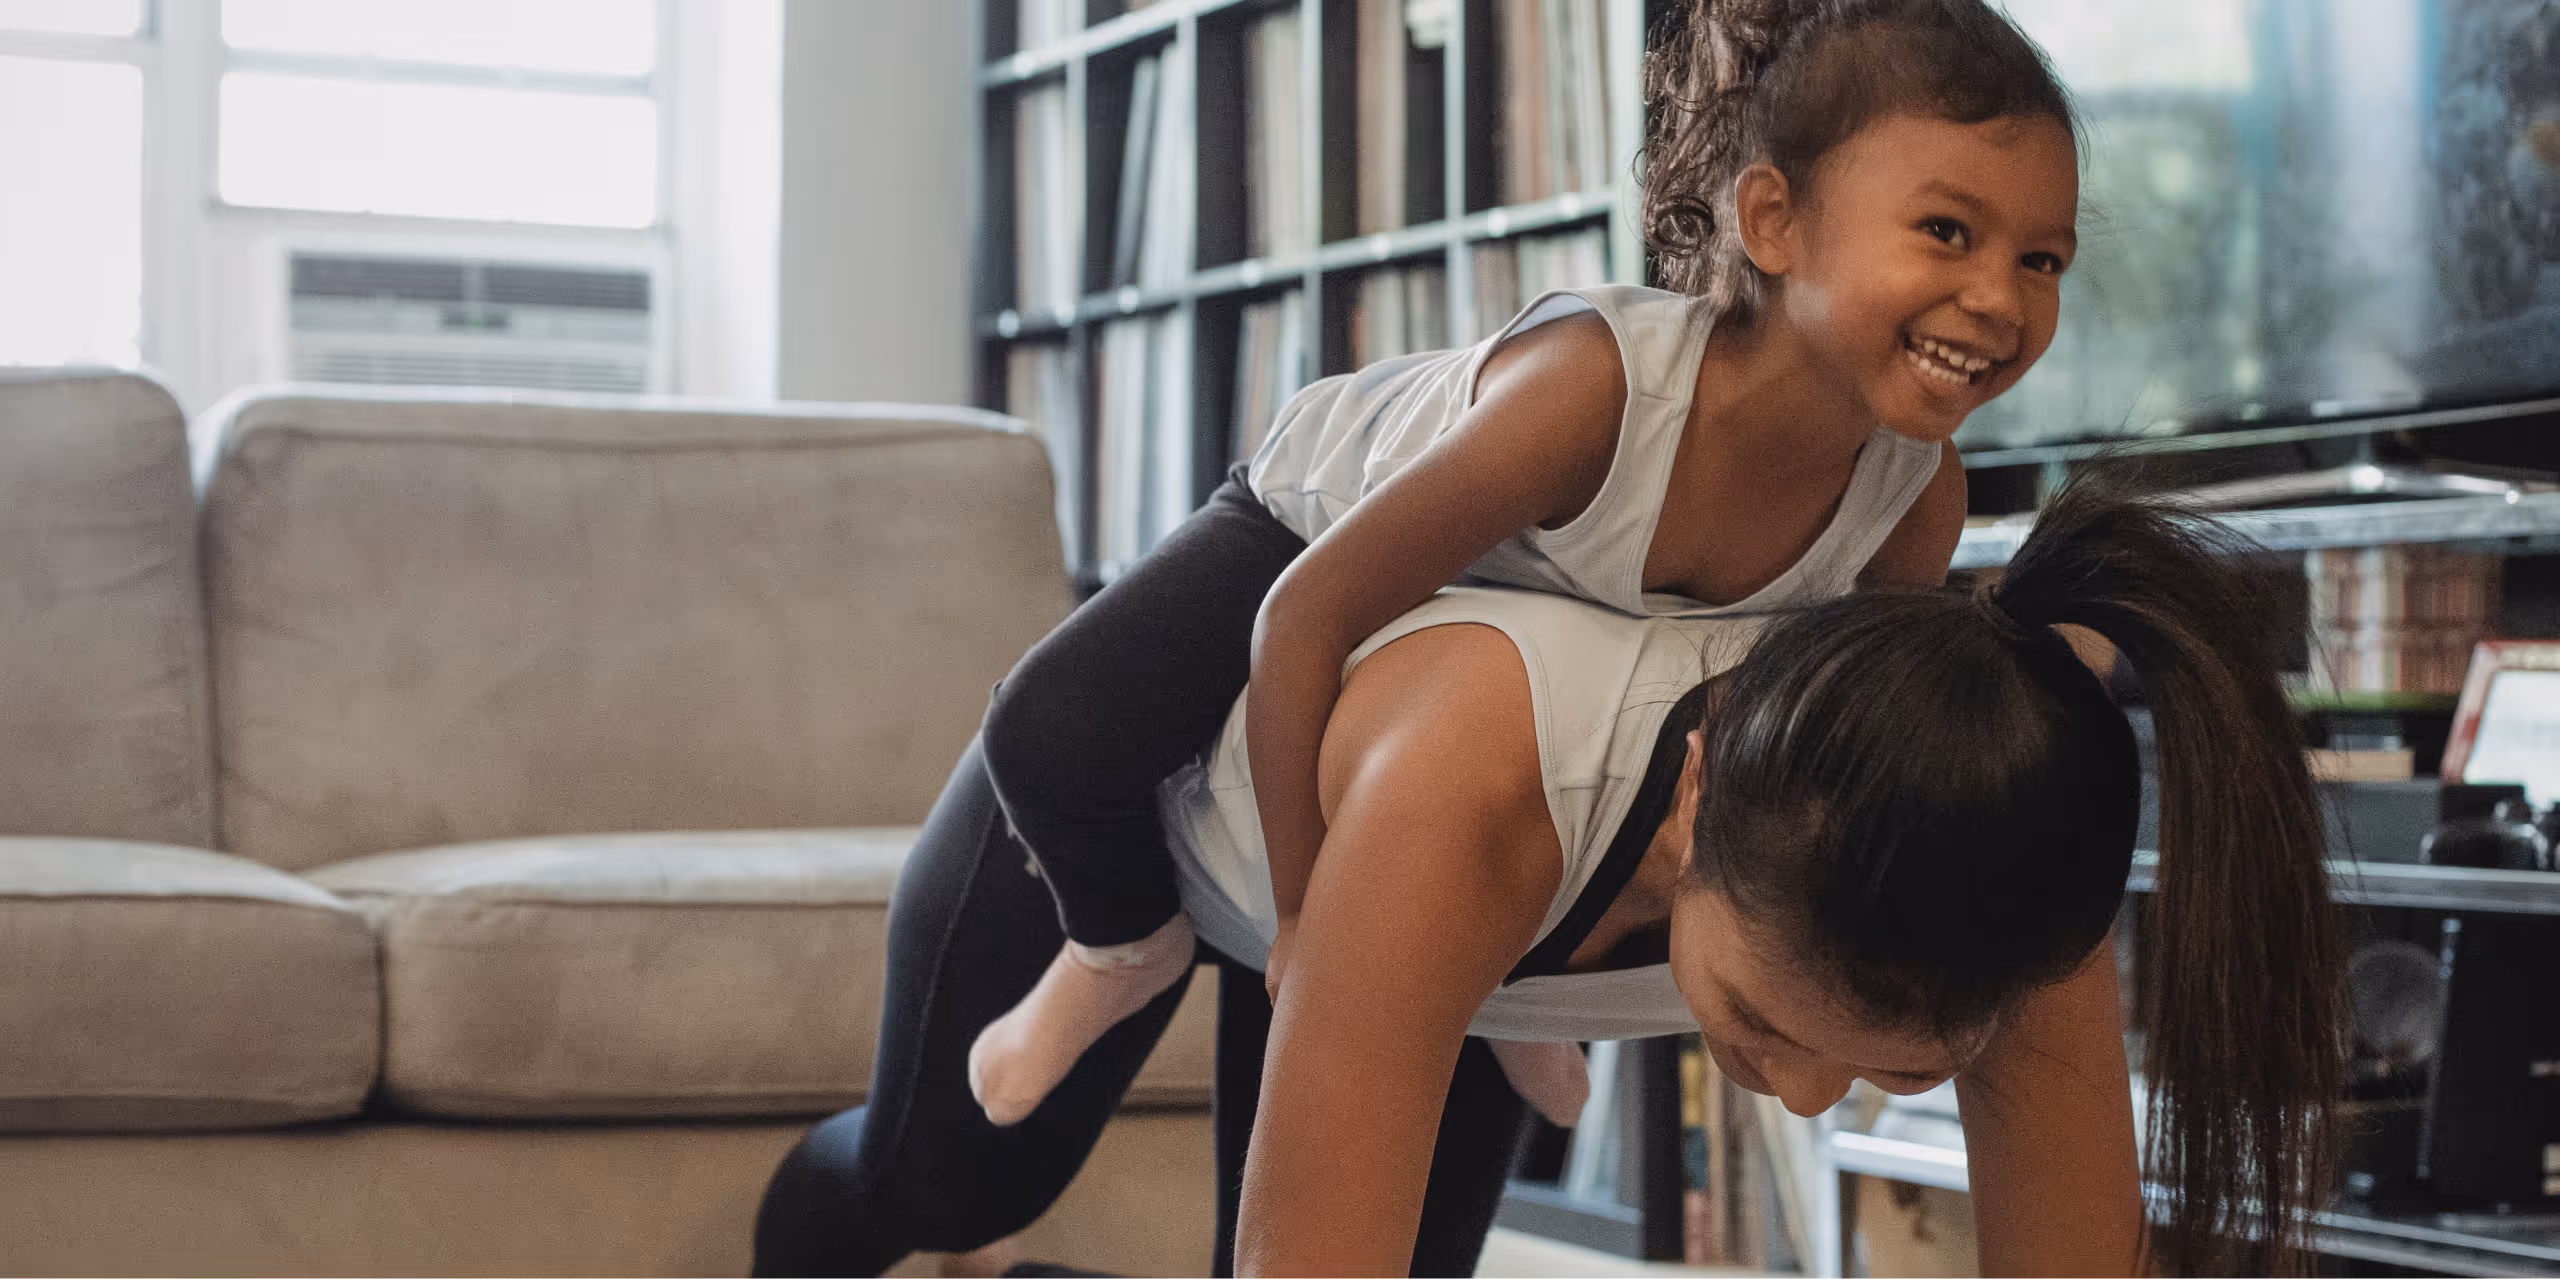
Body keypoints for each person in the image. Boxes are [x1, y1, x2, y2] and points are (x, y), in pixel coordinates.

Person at [753, 475, 2343, 1277]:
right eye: (1765, 1023)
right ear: (1698, 789)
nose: (1811, 1100)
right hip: (1147, 828)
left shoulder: (2000, 838)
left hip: (1414, 938)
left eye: (1896, 1069)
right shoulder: (1481, 795)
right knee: (947, 1187)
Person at [967, 0, 2087, 1129]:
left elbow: (1830, 751)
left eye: (2041, 258)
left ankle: (1514, 1008)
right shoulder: (1592, 394)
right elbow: (1301, 618)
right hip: (1308, 521)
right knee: (1043, 731)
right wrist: (1304, 919)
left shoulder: (1913, 496)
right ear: (1772, 220)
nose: (2001, 298)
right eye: (1947, 232)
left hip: (1562, 644)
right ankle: (1120, 946)